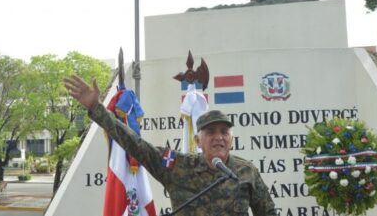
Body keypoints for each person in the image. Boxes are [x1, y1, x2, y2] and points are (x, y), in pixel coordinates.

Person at [64, 75, 276, 216]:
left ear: (231, 138)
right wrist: (96, 108)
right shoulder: (178, 166)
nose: (218, 137)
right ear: (197, 140)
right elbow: (136, 145)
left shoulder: (246, 172)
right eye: (210, 132)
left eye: (224, 132)